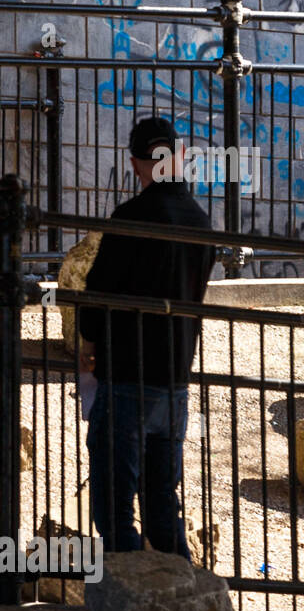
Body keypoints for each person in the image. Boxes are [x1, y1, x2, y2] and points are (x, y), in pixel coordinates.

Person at [80, 116, 216, 556]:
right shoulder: (201, 222)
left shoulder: (130, 218)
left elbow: (97, 293)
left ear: (136, 164)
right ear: (177, 158)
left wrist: (90, 342)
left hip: (127, 376)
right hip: (175, 379)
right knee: (163, 504)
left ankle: (129, 602)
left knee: (117, 510)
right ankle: (182, 597)